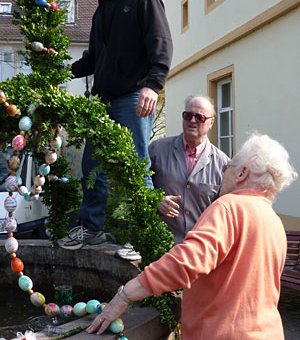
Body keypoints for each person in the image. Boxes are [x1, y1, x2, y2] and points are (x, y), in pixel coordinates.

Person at [86, 133, 298, 340]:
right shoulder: (274, 221)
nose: (223, 174)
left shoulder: (228, 207)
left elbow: (186, 262)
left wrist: (125, 295)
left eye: (227, 167)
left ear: (242, 173)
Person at [58, 0, 173, 250]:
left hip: (133, 98)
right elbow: (93, 59)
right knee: (92, 167)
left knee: (136, 166)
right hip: (102, 103)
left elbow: (161, 46)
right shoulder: (101, 12)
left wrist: (153, 85)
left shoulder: (144, 0)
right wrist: (62, 70)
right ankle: (92, 230)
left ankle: (147, 239)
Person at [149, 95, 229, 244]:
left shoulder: (223, 164)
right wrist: (155, 200)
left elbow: (224, 214)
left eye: (199, 117)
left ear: (211, 122)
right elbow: (137, 186)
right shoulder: (157, 150)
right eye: (188, 115)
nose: (192, 121)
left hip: (199, 250)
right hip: (159, 246)